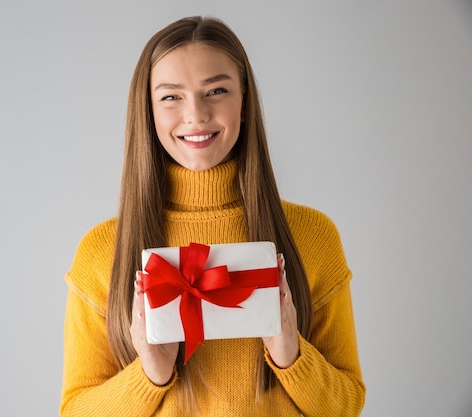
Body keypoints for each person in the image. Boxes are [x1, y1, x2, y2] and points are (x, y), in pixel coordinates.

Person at [60, 15, 365, 417]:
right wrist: (149, 373)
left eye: (216, 90)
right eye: (171, 96)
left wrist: (291, 354)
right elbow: (75, 410)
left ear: (244, 104)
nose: (196, 114)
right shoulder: (102, 250)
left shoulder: (313, 235)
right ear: (148, 112)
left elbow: (347, 406)